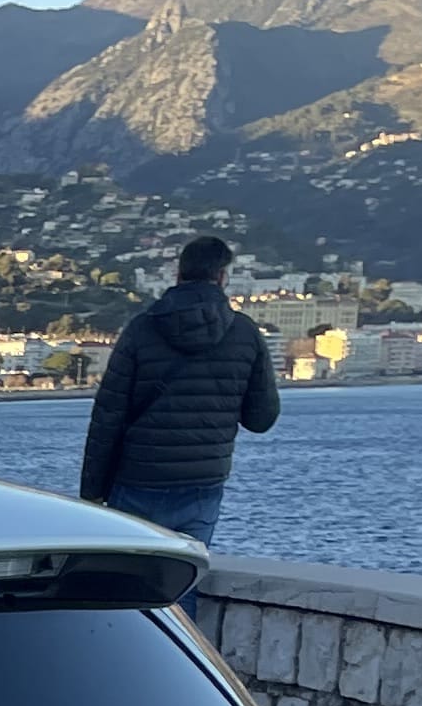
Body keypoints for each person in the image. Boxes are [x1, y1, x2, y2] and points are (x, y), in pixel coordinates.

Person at [78, 234, 277, 547]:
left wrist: (91, 492)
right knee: (182, 579)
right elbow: (261, 419)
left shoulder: (140, 329)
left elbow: (107, 416)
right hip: (203, 480)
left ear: (177, 274)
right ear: (222, 277)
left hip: (137, 477)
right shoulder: (245, 332)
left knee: (127, 582)